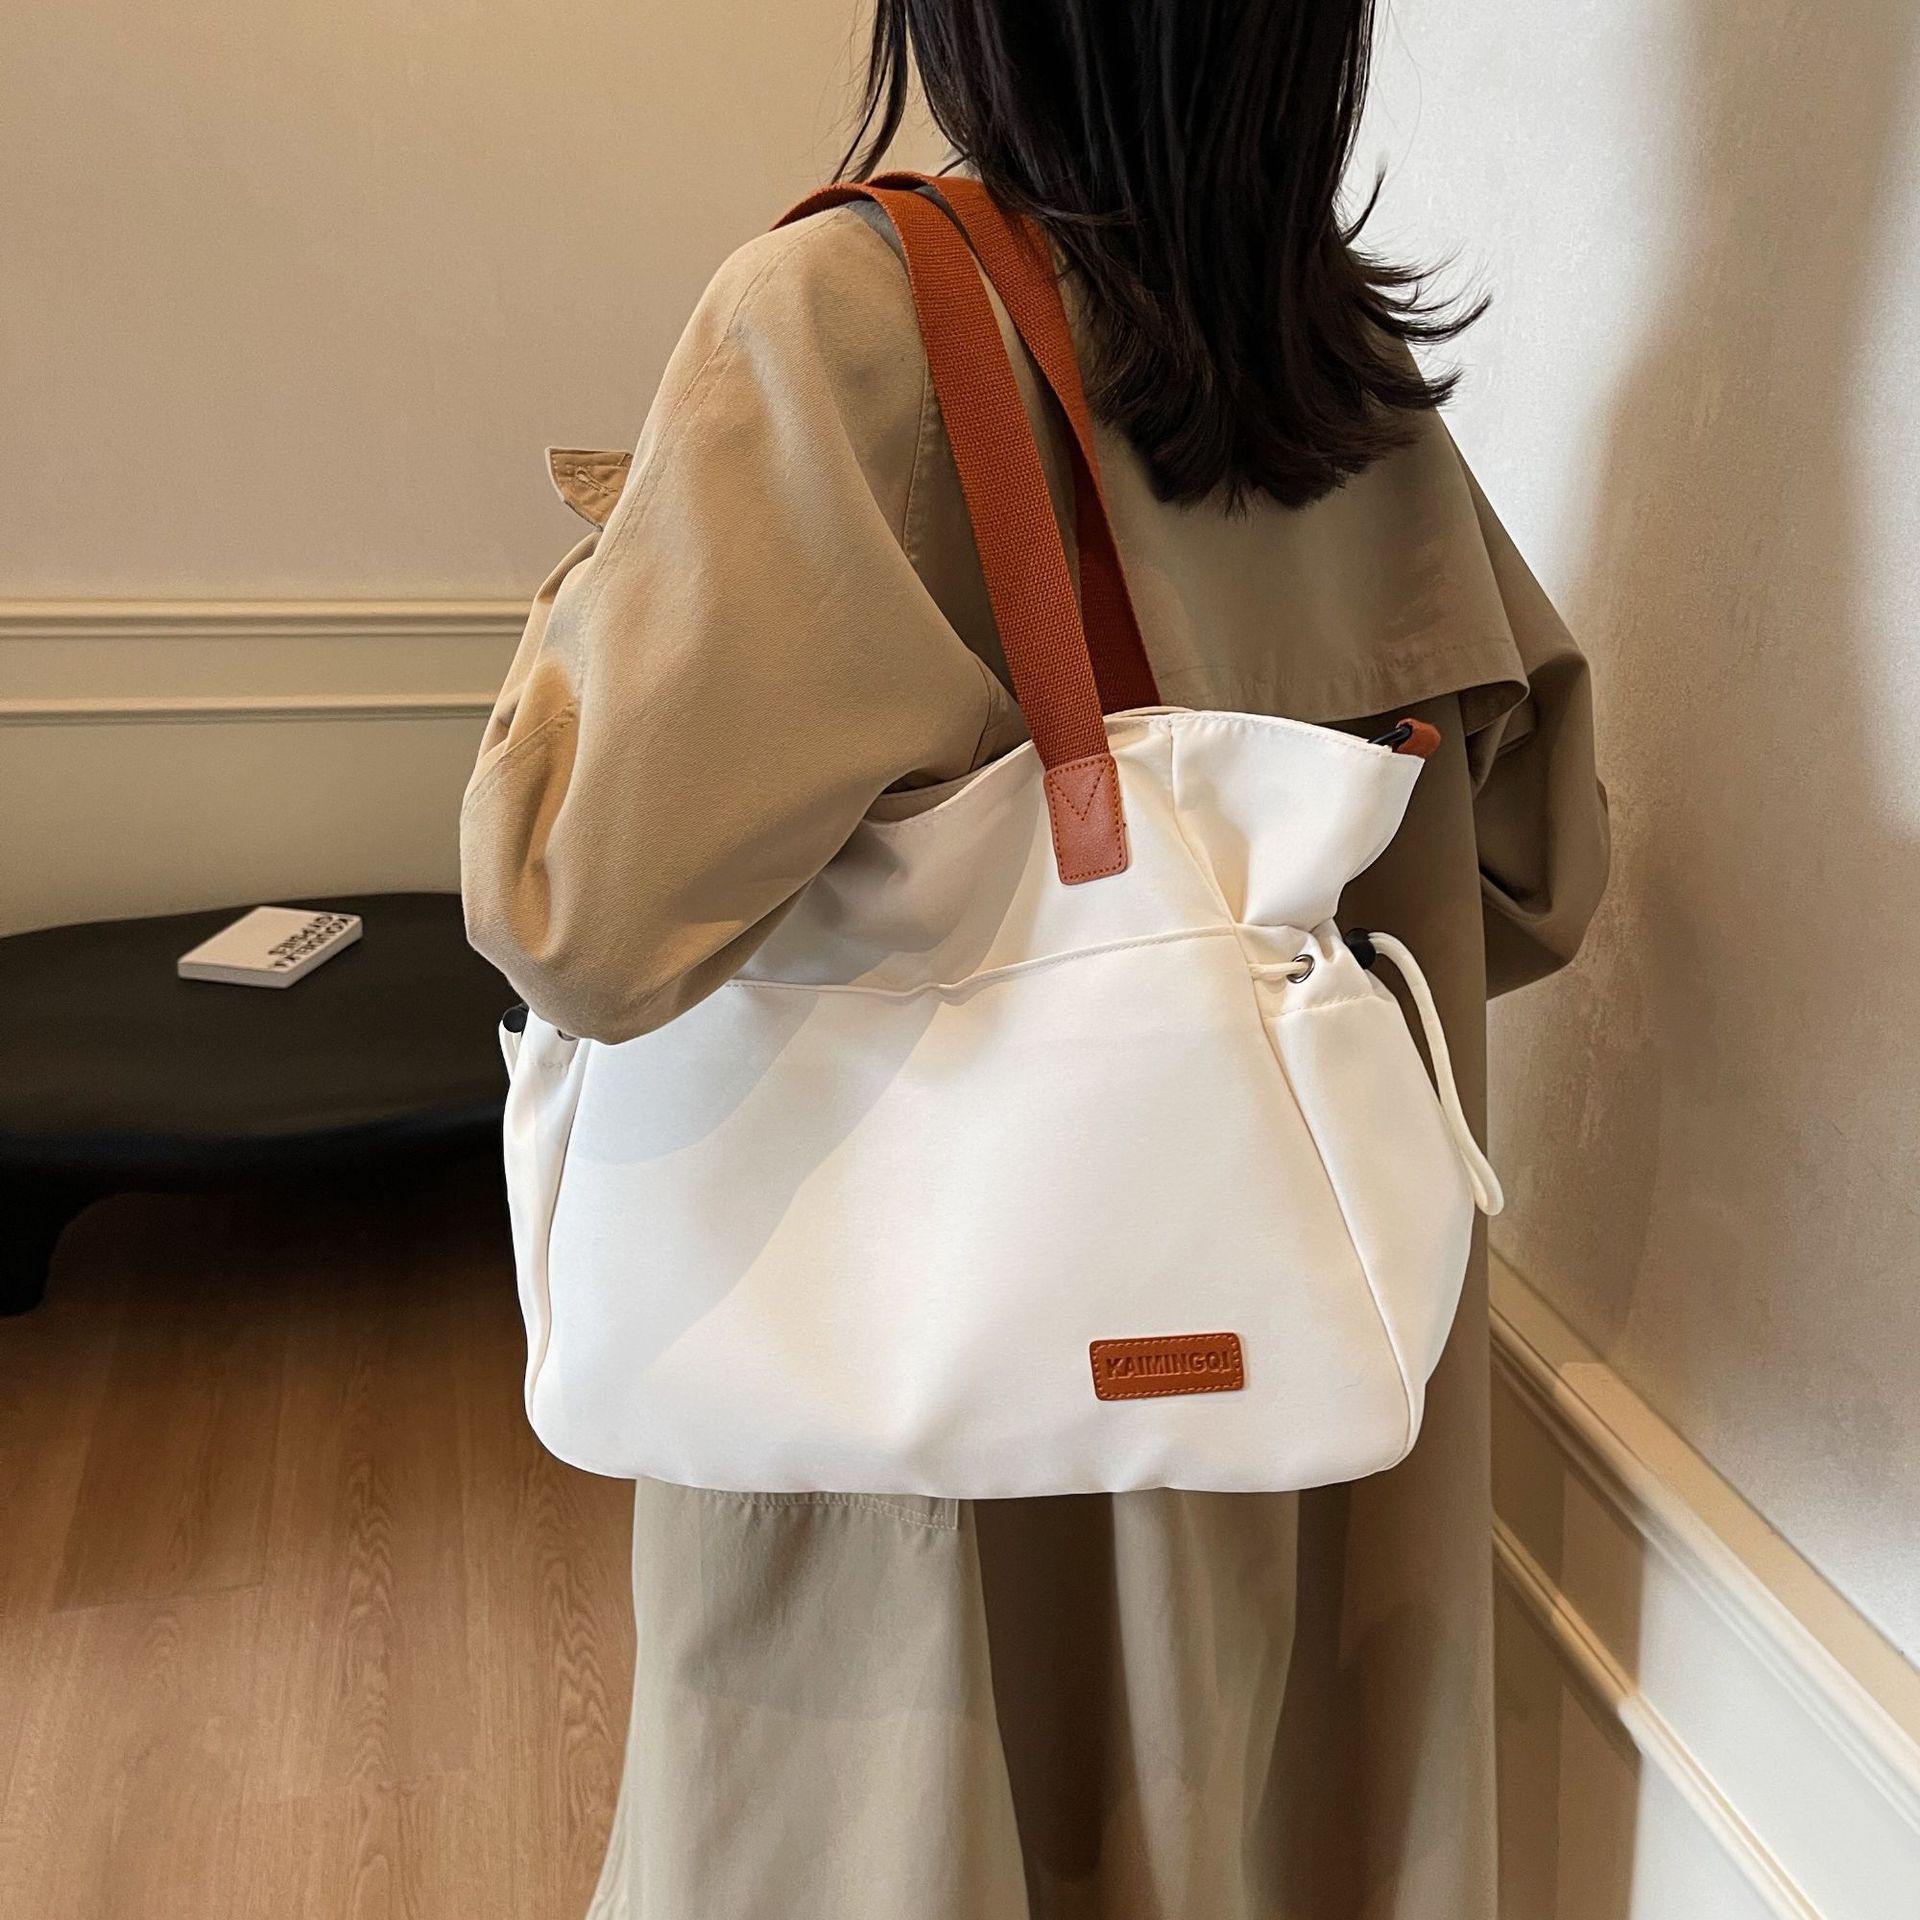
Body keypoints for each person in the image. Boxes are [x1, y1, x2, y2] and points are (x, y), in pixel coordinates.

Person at [460, 2, 1608, 1913]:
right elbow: (1529, 880)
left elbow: (574, 911)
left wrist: (637, 553)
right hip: (1288, 1438)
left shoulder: (846, 318)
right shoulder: (1342, 362)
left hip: (931, 1486)